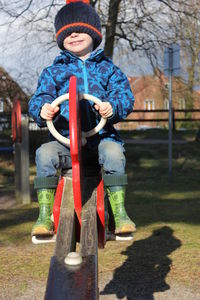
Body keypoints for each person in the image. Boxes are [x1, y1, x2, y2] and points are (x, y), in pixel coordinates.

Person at [28, 0, 136, 237]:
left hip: (101, 139)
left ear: (94, 34)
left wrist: (112, 108)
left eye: (81, 30)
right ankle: (45, 215)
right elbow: (39, 98)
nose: (74, 34)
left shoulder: (108, 69)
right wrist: (42, 110)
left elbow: (125, 97)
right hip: (64, 141)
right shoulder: (53, 72)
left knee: (115, 153)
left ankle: (119, 214)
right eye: (68, 32)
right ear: (61, 39)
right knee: (44, 154)